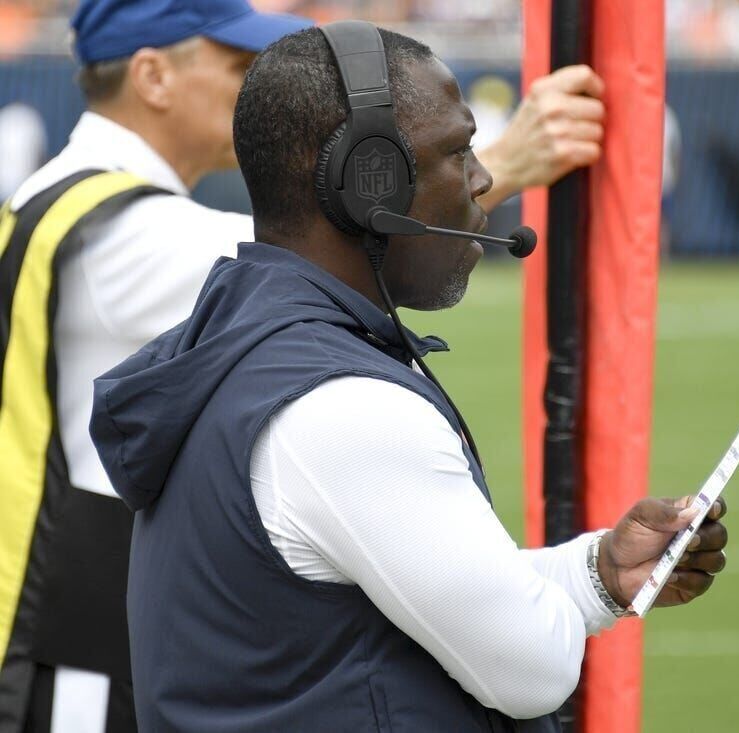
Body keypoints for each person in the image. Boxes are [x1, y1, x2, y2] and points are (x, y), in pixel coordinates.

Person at [88, 23, 729, 731]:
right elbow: (533, 667)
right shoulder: (341, 407)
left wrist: (599, 574)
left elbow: (423, 605)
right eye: (458, 151)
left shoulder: (252, 345)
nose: (484, 179)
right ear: (370, 186)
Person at [0, 0, 606, 730]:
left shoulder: (62, 199)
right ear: (152, 75)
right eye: (233, 63)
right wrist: (506, 159)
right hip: (83, 656)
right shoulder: (119, 228)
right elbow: (317, 238)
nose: (251, 80)